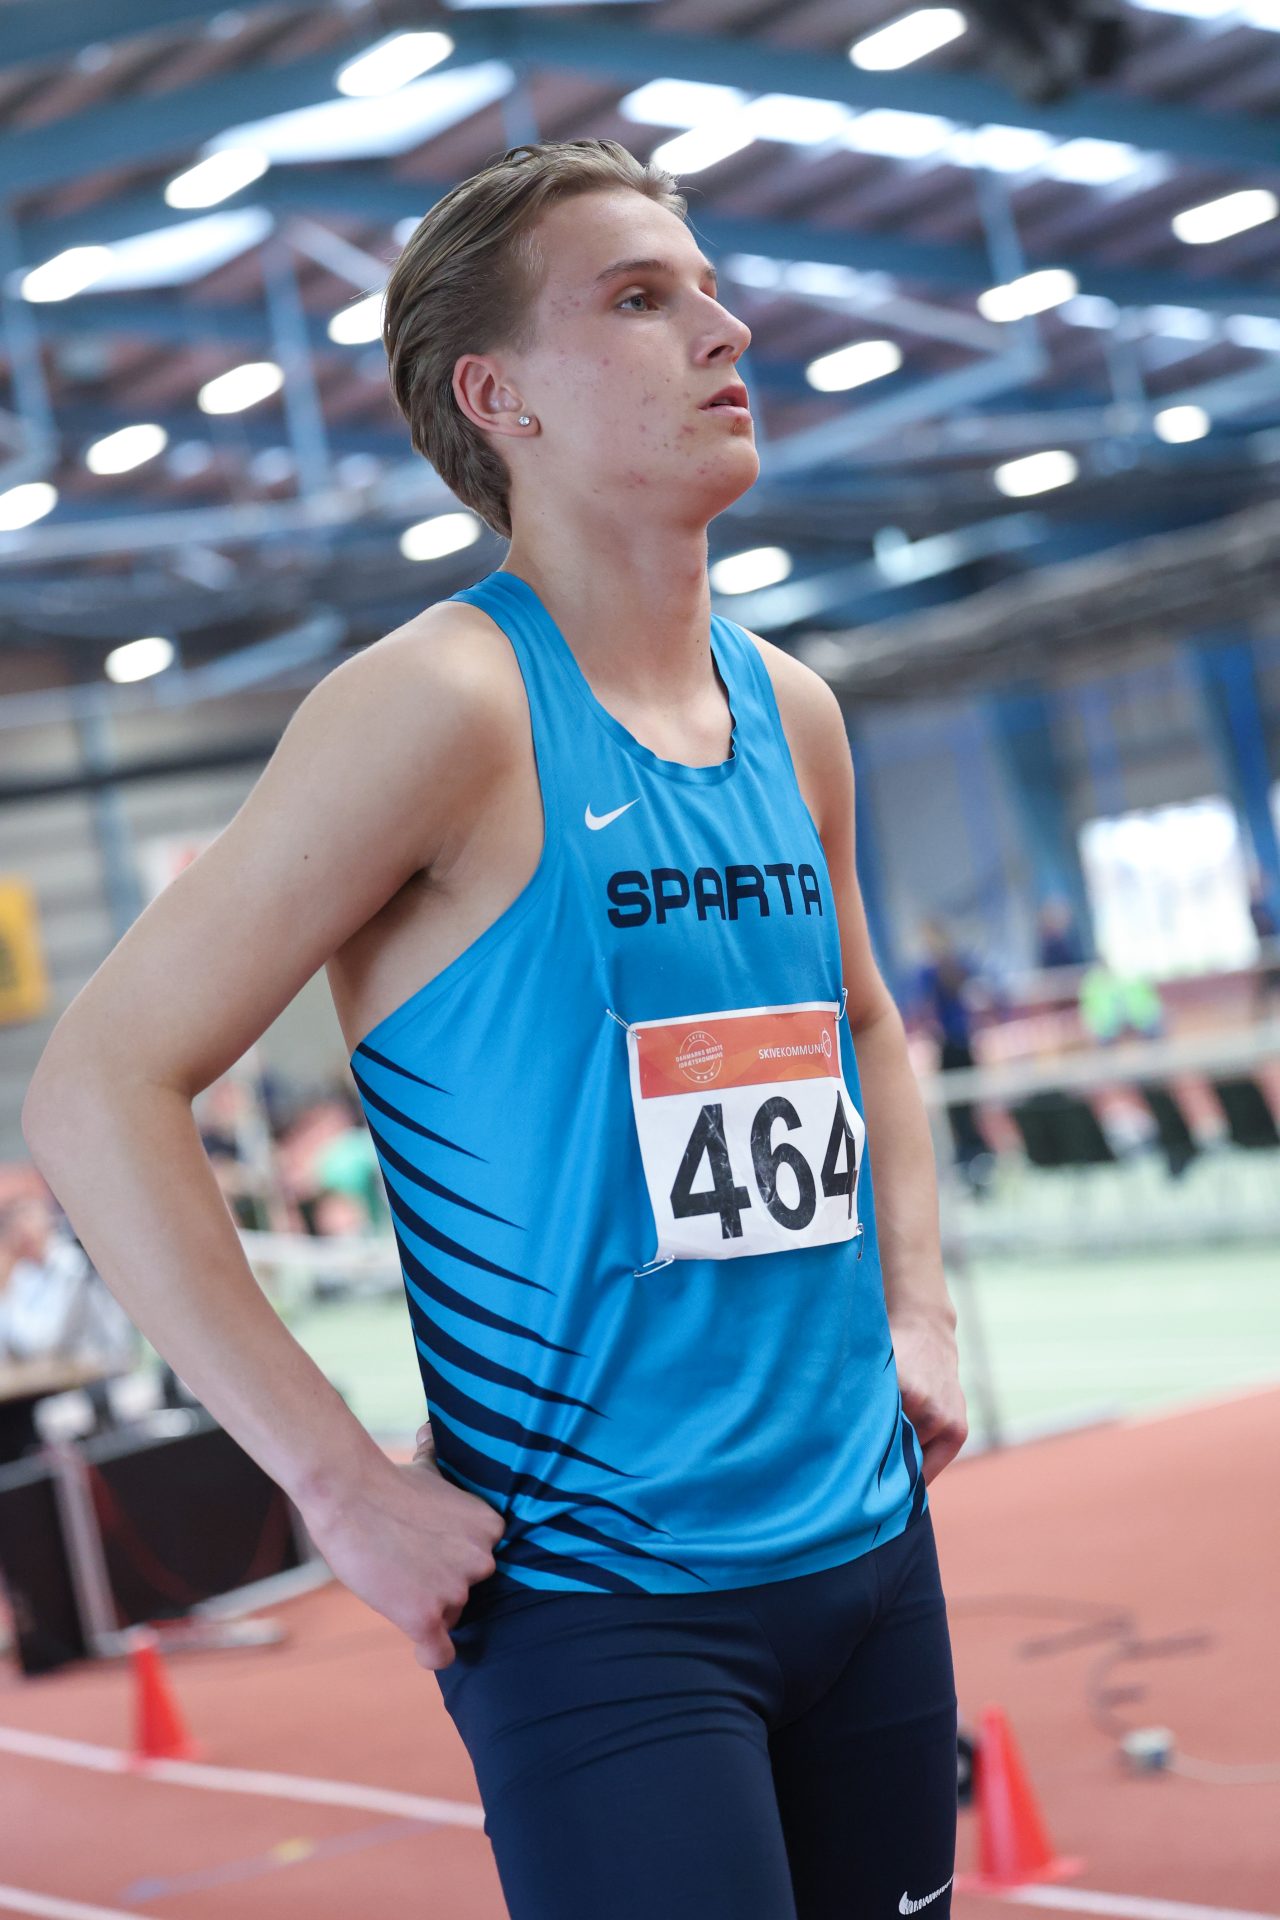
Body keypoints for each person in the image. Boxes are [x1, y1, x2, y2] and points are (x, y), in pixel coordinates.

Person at [22, 140, 966, 1918]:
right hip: (604, 1607)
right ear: (496, 397)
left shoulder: (796, 712)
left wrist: (916, 1304)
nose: (725, 328)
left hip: (869, 1556)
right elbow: (96, 1086)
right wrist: (335, 1482)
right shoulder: (438, 706)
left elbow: (861, 1026)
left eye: (707, 287)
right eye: (641, 298)